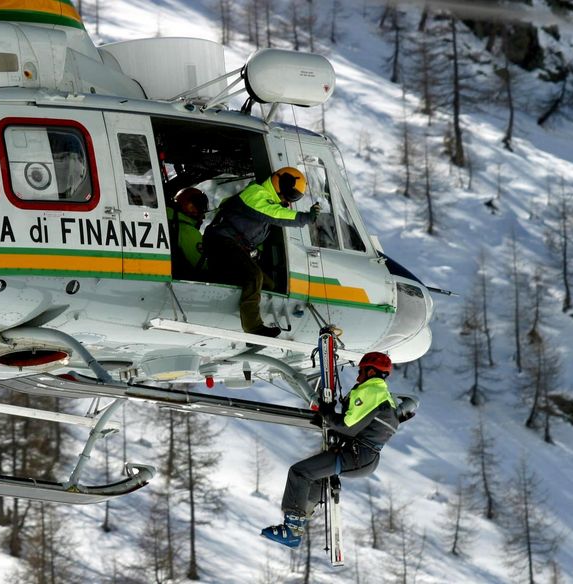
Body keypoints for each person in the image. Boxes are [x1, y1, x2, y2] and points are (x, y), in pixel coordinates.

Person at [260, 352, 418, 548]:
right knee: (315, 476)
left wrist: (327, 413)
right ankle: (298, 522)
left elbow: (346, 426)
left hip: (355, 457)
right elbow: (365, 425)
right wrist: (330, 419)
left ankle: (292, 530)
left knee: (300, 472)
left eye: (361, 371)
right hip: (361, 456)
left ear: (370, 371)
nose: (358, 375)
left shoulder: (371, 393)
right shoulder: (383, 395)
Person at [203, 167, 319, 337]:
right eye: (290, 193)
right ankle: (253, 328)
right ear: (280, 183)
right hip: (220, 241)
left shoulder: (268, 202)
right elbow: (274, 214)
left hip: (233, 246)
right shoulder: (256, 193)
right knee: (254, 275)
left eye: (294, 196)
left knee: (268, 285)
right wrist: (304, 218)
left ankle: (251, 322)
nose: (288, 199)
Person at [168, 187, 209, 280]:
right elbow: (203, 265)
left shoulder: (167, 221)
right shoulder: (187, 230)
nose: (203, 216)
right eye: (201, 210)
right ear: (190, 207)